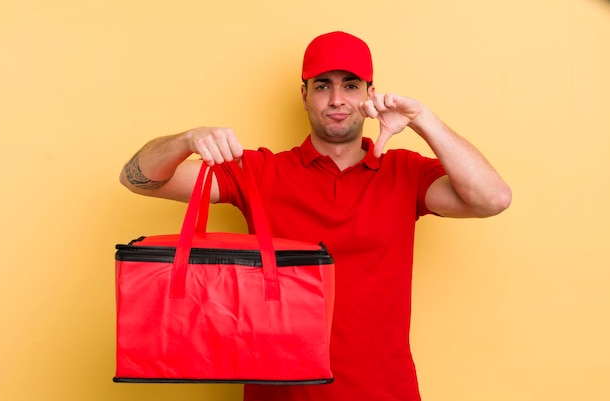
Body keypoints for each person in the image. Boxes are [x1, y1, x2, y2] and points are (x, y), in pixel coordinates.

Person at [119, 31, 511, 401]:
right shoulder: (260, 171)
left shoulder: (405, 173)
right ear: (304, 95)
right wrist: (187, 139)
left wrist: (423, 118)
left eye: (351, 85)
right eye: (323, 85)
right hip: (281, 392)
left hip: (384, 390)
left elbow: (492, 199)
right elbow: (138, 179)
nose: (337, 99)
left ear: (371, 95)